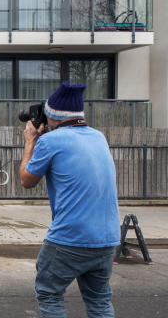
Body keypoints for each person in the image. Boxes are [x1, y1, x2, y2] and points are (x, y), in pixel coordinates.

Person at [19, 83, 120, 318]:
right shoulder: (99, 137)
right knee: (99, 300)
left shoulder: (50, 142)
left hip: (69, 239)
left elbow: (26, 180)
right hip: (107, 239)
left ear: (52, 116)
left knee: (49, 295)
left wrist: (30, 142)